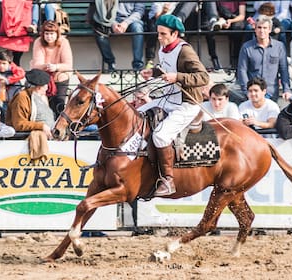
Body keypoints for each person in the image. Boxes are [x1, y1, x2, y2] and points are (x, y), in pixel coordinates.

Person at [139, 14, 209, 196]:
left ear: (175, 33)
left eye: (163, 34)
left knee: (161, 136)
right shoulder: (163, 49)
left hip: (187, 103)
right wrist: (152, 72)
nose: (159, 38)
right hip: (169, 98)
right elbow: (166, 70)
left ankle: (168, 181)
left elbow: (204, 77)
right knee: (137, 113)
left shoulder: (185, 50)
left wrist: (177, 77)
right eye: (158, 34)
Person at [237, 15, 291, 102]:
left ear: (270, 29)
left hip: (272, 92)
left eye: (265, 28)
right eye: (259, 27)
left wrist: (286, 89)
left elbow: (284, 69)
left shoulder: (279, 47)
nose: (262, 30)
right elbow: (242, 70)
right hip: (252, 94)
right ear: (255, 29)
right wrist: (246, 90)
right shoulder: (246, 47)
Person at [30, 20, 73, 116]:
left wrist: (56, 67)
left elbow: (68, 64)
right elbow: (37, 63)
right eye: (47, 34)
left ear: (57, 34)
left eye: (52, 34)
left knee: (59, 101)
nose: (49, 36)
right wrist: (48, 66)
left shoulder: (64, 42)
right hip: (43, 74)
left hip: (60, 75)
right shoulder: (38, 42)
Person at [93, 1, 145, 72]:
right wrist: (113, 23)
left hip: (131, 20)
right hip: (110, 20)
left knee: (138, 29)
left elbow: (139, 12)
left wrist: (126, 23)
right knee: (100, 31)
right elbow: (103, 11)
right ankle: (110, 63)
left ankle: (138, 65)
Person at [5, 69, 54, 140]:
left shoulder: (43, 97)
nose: (47, 88)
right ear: (38, 87)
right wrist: (41, 126)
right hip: (25, 139)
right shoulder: (22, 98)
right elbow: (19, 124)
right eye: (45, 85)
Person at [205, 1, 246, 70]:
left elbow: (242, 16)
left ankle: (235, 59)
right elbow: (214, 11)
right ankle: (214, 59)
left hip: (234, 19)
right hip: (220, 20)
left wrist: (230, 21)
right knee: (209, 30)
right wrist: (220, 19)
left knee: (238, 29)